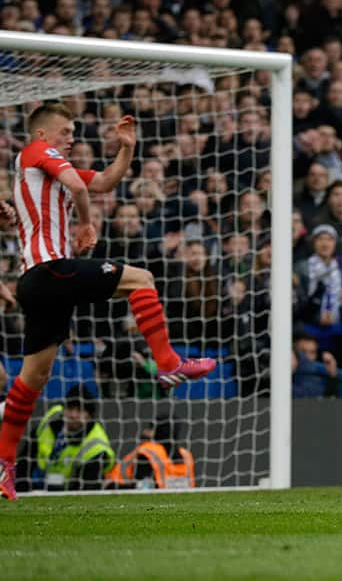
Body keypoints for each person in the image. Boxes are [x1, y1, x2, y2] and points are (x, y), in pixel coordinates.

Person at [0, 104, 215, 501]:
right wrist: (85, 224)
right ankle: (168, 364)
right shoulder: (36, 152)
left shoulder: (42, 172)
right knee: (142, 279)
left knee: (32, 379)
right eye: (65, 131)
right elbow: (82, 190)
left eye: (74, 131)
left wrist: (127, 148)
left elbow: (101, 182)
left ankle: (4, 466)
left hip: (36, 281)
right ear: (42, 135)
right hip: (51, 269)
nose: (72, 138)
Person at [23, 385, 115, 491]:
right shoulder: (51, 419)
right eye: (70, 408)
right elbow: (25, 457)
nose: (73, 415)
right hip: (39, 485)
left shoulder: (96, 446)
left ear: (90, 416)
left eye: (80, 410)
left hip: (71, 491)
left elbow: (88, 489)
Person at [109, 409, 196, 490]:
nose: (146, 431)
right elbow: (142, 487)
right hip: (114, 488)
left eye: (151, 428)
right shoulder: (149, 452)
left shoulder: (185, 455)